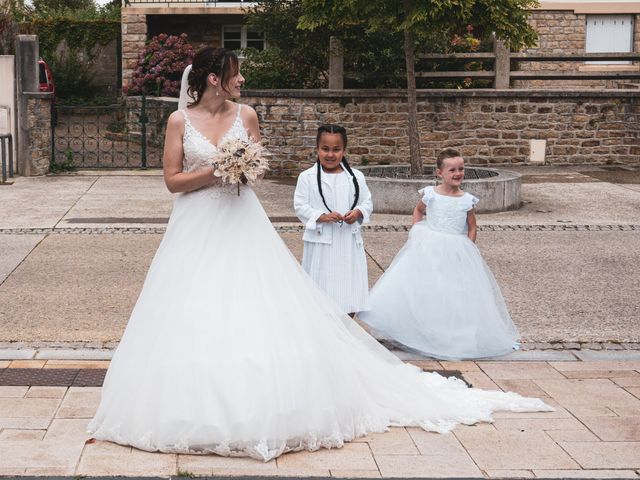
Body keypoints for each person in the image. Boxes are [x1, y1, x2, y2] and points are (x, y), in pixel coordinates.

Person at [88, 48, 550, 462]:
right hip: (194, 223)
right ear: (213, 78)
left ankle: (265, 400)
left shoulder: (246, 115)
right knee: (189, 304)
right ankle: (184, 403)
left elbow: (255, 173)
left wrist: (240, 172)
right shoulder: (178, 121)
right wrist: (217, 169)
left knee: (255, 302)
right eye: (235, 74)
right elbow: (172, 180)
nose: (242, 81)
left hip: (239, 219)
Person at [359, 148, 521, 360]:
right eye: (452, 170)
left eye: (461, 169)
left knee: (453, 293)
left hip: (456, 249)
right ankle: (417, 331)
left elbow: (472, 226)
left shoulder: (466, 200)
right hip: (429, 246)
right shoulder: (431, 194)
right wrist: (416, 230)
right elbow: (418, 210)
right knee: (425, 288)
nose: (457, 173)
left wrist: (469, 246)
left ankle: (451, 336)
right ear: (439, 173)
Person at [294, 124, 372, 316]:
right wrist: (322, 216)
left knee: (349, 288)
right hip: (321, 243)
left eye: (336, 150)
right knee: (321, 286)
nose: (330, 155)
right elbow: (300, 206)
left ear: (344, 150)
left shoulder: (356, 177)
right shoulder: (307, 177)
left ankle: (346, 329)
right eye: (325, 149)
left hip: (348, 241)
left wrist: (358, 212)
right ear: (317, 149)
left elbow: (367, 202)